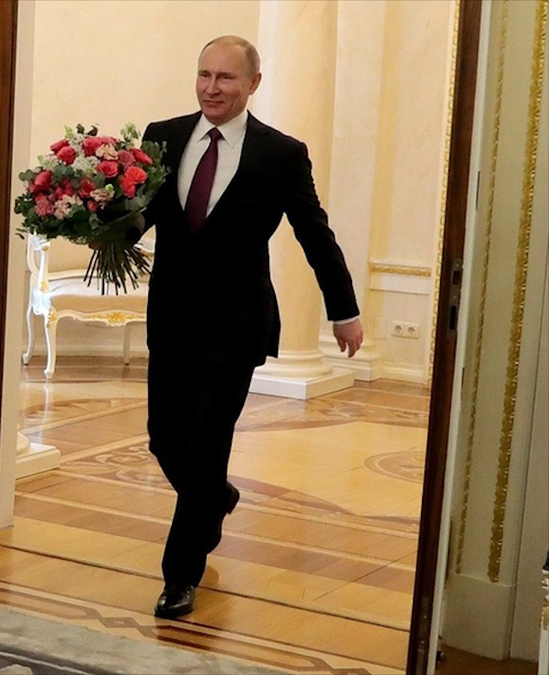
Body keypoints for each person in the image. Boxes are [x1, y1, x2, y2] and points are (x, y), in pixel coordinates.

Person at [136, 35, 364, 619]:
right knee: (164, 437)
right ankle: (216, 498)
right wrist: (97, 225)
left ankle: (180, 576)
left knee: (207, 445)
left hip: (236, 325)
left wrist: (343, 309)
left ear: (253, 84)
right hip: (171, 320)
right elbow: (141, 213)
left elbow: (314, 233)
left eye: (226, 78)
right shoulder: (162, 137)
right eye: (204, 75)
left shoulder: (280, 154)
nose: (211, 88)